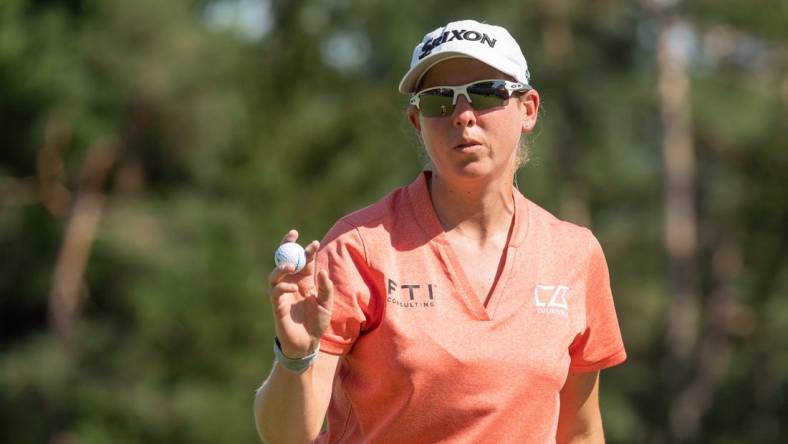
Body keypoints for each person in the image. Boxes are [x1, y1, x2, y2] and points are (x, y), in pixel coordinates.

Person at [254, 19, 626, 444]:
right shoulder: (359, 246)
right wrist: (296, 358)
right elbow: (285, 437)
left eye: (486, 94)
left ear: (528, 109)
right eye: (438, 101)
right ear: (417, 121)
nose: (463, 116)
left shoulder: (574, 254)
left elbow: (580, 433)